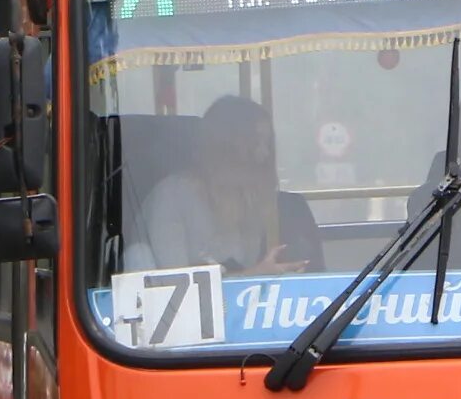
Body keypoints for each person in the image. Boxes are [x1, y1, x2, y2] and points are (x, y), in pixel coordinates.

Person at [136, 94, 323, 275]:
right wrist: (253, 276)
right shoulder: (171, 198)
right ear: (223, 147)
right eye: (255, 143)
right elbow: (172, 287)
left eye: (267, 144)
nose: (264, 154)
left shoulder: (252, 200)